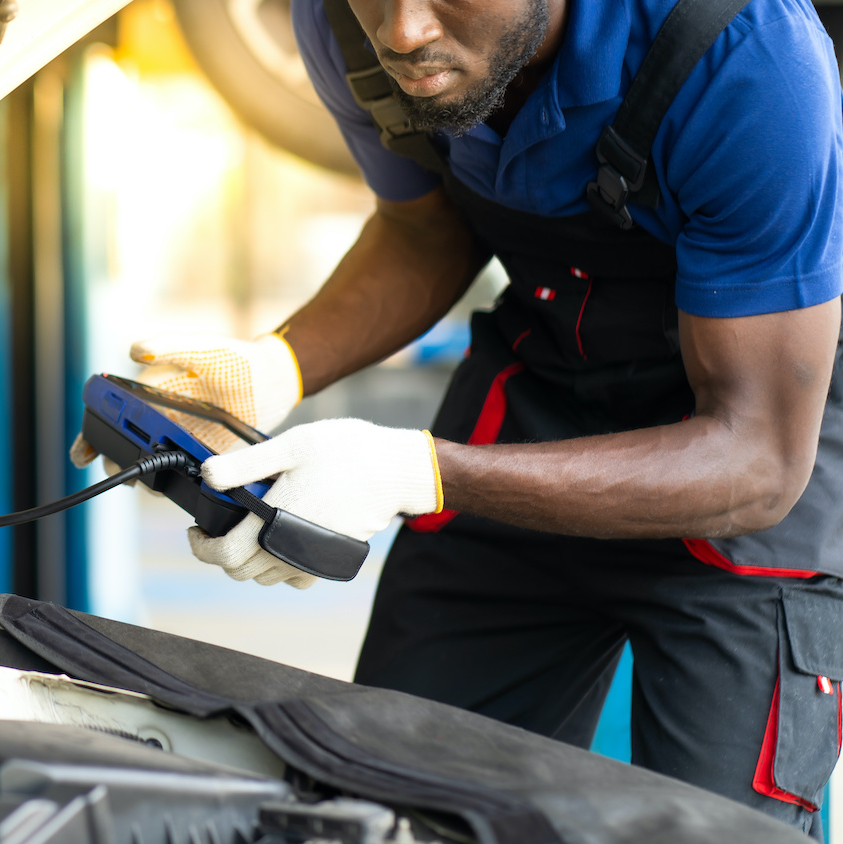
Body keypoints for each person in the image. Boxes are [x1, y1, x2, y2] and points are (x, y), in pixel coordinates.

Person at [74, 0, 843, 833]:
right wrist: (276, 366)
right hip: (537, 398)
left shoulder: (743, 53)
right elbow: (422, 231)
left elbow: (757, 458)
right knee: (384, 809)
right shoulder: (340, 26)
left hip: (745, 466)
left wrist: (421, 472)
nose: (403, 31)